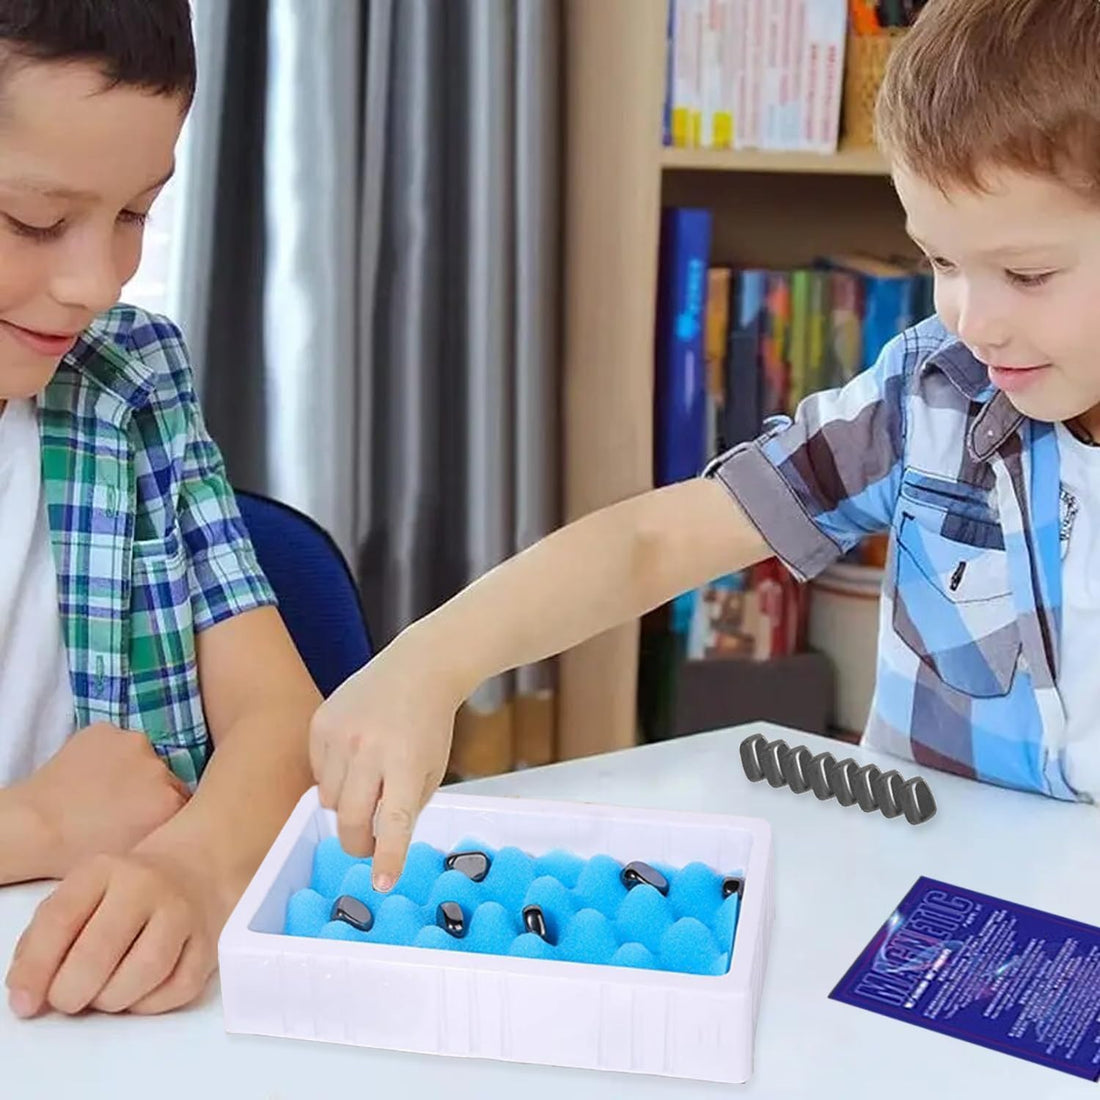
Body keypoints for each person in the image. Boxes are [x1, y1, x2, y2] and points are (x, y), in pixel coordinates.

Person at [311, 0, 1100, 890]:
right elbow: (654, 541)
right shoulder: (928, 397)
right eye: (942, 263)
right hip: (925, 915)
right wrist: (430, 661)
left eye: (1028, 275)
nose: (975, 320)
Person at [0, 1, 319, 1018]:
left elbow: (282, 717)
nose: (96, 281)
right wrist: (35, 826)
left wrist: (194, 865)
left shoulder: (129, 384)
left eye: (134, 212)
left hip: (113, 1025)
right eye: (34, 221)